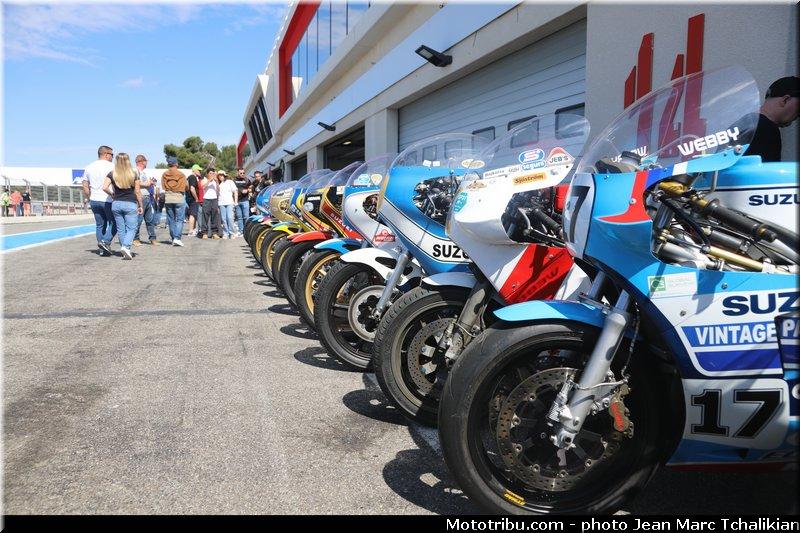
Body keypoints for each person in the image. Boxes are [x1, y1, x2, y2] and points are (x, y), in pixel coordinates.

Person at [745, 76, 799, 162]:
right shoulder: (768, 129)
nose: (797, 116)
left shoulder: (746, 121)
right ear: (785, 100)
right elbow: (765, 169)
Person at [102, 153, 143, 260]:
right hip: (130, 204)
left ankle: (124, 249)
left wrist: (112, 194)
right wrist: (140, 205)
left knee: (121, 229)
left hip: (116, 204)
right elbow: (137, 191)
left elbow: (104, 187)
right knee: (132, 228)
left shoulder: (112, 173)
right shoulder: (134, 174)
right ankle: (126, 247)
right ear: (128, 161)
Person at [81, 145, 116, 255]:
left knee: (100, 225)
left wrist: (89, 197)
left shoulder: (89, 167)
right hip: (108, 199)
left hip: (94, 200)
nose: (112, 157)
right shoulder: (112, 166)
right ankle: (105, 242)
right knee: (114, 223)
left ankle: (102, 250)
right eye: (112, 155)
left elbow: (85, 186)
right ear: (105, 154)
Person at [161, 157, 187, 246]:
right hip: (179, 198)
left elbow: (163, 186)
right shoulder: (181, 174)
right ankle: (177, 238)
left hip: (168, 198)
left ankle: (173, 238)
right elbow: (184, 187)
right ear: (176, 164)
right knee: (179, 219)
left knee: (171, 219)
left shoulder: (164, 174)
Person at [133, 154, 158, 245]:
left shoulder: (143, 172)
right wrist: (147, 184)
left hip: (147, 198)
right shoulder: (135, 171)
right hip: (140, 198)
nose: (147, 163)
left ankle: (153, 238)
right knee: (138, 220)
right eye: (146, 161)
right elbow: (134, 183)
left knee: (150, 220)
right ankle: (135, 239)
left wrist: (150, 183)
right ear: (142, 162)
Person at [201, 169, 222, 239]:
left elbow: (218, 190)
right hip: (206, 199)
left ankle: (214, 233)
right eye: (210, 173)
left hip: (214, 199)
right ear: (207, 174)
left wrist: (217, 182)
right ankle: (204, 233)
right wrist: (209, 180)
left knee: (214, 216)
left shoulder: (215, 181)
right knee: (205, 216)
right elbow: (203, 187)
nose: (212, 175)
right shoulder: (204, 180)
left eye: (213, 173)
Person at [218, 170, 238, 239]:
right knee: (224, 219)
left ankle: (232, 233)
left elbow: (235, 191)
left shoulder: (230, 182)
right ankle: (225, 233)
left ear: (224, 176)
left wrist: (236, 201)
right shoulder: (218, 184)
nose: (220, 177)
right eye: (219, 175)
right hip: (221, 203)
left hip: (229, 202)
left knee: (230, 218)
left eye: (222, 175)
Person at [186, 164, 203, 236]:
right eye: (199, 170)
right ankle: (191, 231)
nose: (200, 171)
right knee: (192, 214)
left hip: (189, 198)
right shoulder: (193, 177)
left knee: (193, 214)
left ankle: (193, 229)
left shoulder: (189, 177)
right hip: (193, 199)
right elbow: (192, 188)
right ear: (195, 170)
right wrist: (196, 198)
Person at [233, 167, 251, 236]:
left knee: (246, 216)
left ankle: (247, 231)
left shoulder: (247, 180)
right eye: (241, 173)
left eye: (243, 173)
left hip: (245, 200)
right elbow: (232, 189)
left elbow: (251, 186)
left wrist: (248, 190)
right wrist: (240, 191)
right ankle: (241, 231)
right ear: (237, 173)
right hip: (237, 200)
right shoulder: (234, 180)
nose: (242, 174)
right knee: (239, 217)